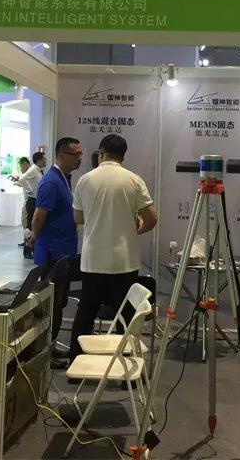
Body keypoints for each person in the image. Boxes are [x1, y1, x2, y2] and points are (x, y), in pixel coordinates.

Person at [68, 135, 157, 363]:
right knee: (125, 316)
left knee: (86, 313)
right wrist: (136, 229)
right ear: (123, 156)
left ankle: (77, 364)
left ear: (101, 153)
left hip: (93, 260)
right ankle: (124, 366)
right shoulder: (133, 180)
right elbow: (152, 218)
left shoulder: (85, 180)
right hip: (124, 261)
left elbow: (77, 217)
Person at [29, 138, 82, 368]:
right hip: (53, 254)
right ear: (61, 155)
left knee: (59, 303)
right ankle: (45, 354)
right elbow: (39, 215)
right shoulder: (51, 181)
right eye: (75, 154)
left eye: (80, 154)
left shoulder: (64, 179)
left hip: (63, 252)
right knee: (53, 304)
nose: (80, 158)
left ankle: (50, 348)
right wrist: (34, 236)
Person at [19, 151, 47, 246]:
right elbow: (22, 179)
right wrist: (29, 190)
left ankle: (32, 246)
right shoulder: (34, 169)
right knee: (31, 225)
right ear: (39, 160)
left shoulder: (38, 170)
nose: (46, 161)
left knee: (34, 224)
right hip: (32, 200)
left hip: (37, 200)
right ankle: (28, 247)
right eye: (44, 159)